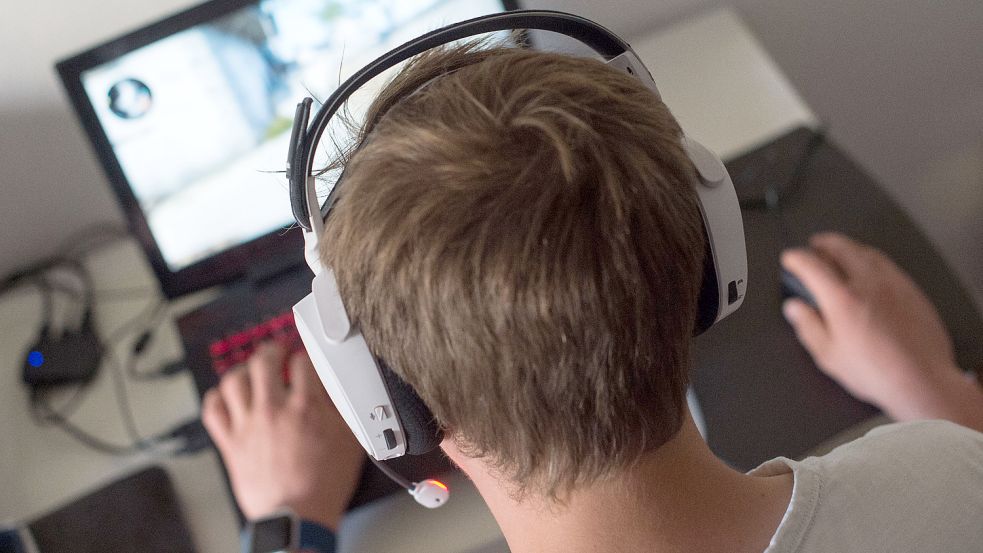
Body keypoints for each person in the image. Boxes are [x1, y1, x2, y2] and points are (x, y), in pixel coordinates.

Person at [203, 44, 983, 552]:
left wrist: (285, 521)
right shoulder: (944, 468)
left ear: (376, 393)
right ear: (710, 263)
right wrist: (938, 394)